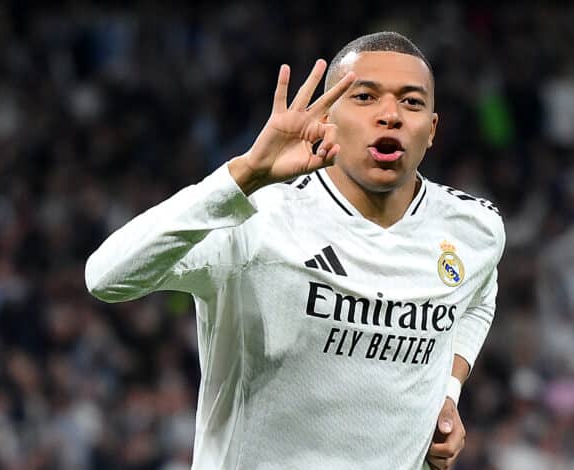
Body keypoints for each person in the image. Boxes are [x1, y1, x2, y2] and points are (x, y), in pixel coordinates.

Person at [85, 31, 505, 470]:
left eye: (412, 102)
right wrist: (244, 174)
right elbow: (106, 277)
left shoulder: (474, 228)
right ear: (328, 117)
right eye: (364, 97)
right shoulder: (256, 223)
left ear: (431, 129)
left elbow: (477, 298)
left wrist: (448, 393)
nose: (390, 115)